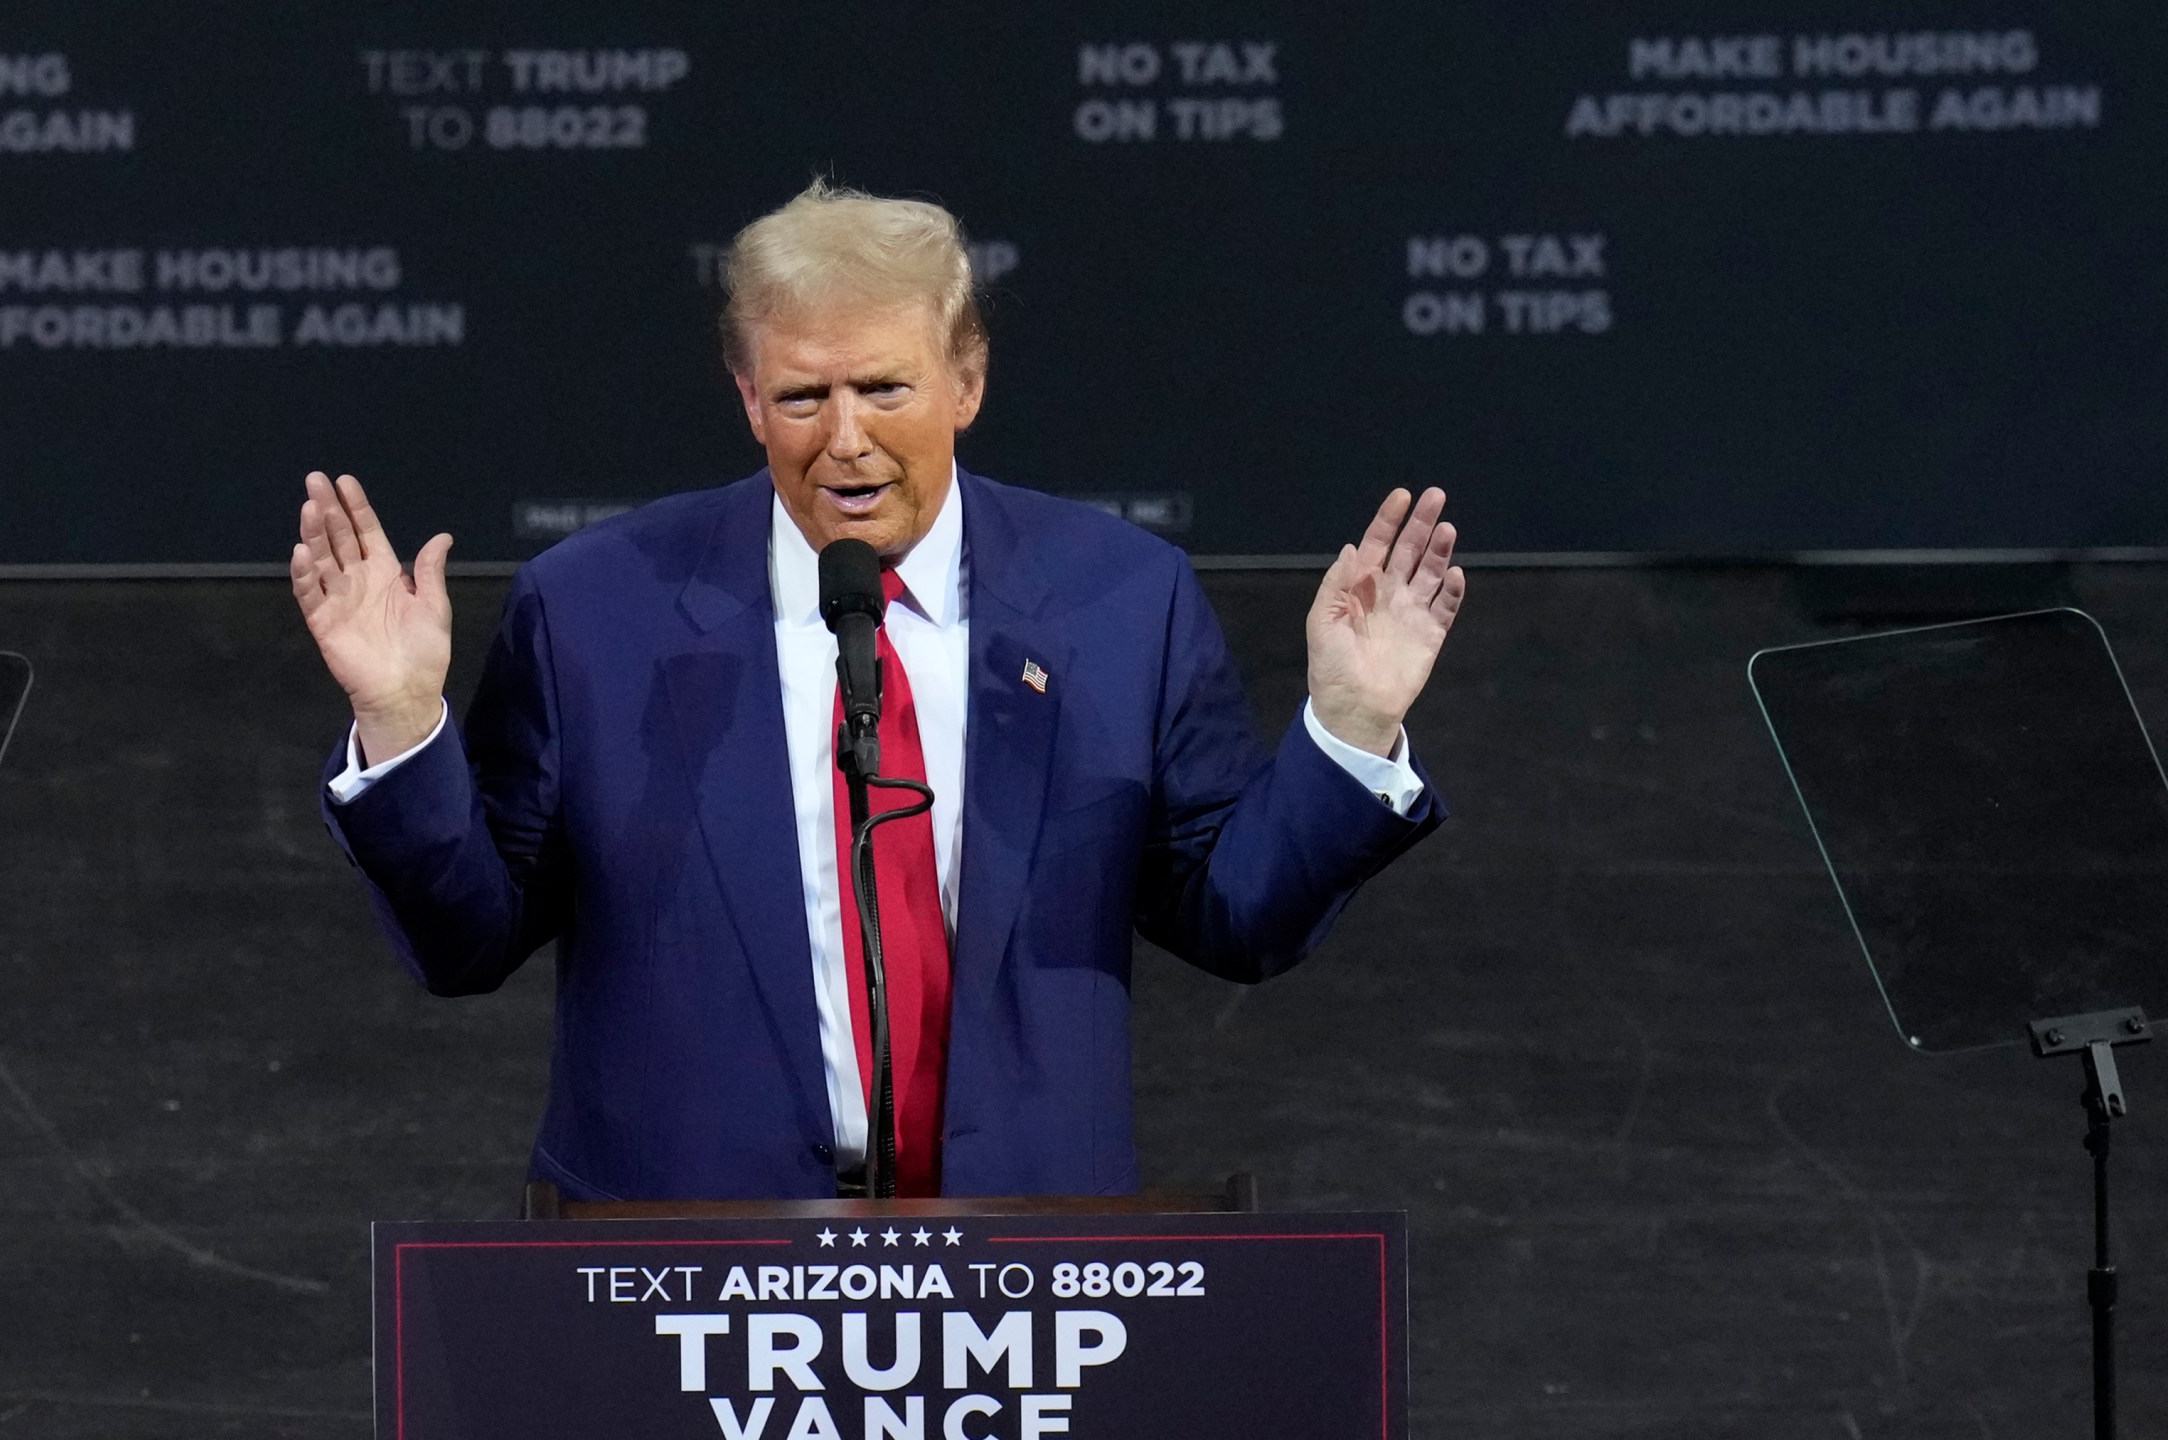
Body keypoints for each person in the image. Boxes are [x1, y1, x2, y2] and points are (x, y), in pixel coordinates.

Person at [292, 181, 1465, 1202]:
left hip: (1014, 1262)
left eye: (885, 389)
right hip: (687, 1263)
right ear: (747, 397)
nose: (845, 439)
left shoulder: (1119, 603)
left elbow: (1237, 918)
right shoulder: (598, 612)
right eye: (803, 398)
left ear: (968, 379)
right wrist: (402, 722)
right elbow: (467, 941)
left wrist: (1351, 727)